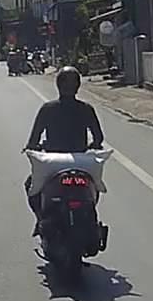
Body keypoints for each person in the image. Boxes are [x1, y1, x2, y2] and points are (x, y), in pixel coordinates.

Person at [22, 66, 105, 235]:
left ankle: (40, 220)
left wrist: (32, 147)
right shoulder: (86, 109)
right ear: (78, 86)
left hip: (54, 162)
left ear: (58, 85)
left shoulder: (48, 109)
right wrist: (92, 145)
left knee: (30, 186)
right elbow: (98, 138)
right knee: (93, 187)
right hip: (80, 161)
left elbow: (33, 140)